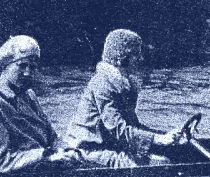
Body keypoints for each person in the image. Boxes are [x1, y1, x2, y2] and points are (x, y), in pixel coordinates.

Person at [65, 29, 181, 168]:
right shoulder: (102, 83)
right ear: (121, 57)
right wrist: (158, 139)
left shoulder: (123, 85)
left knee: (169, 155)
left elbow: (132, 126)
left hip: (108, 146)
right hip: (88, 150)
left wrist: (166, 136)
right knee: (161, 164)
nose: (141, 59)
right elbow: (116, 128)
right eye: (136, 54)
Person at [0, 36, 83, 172]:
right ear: (4, 67)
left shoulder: (28, 95)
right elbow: (2, 162)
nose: (28, 73)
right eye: (22, 66)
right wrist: (46, 156)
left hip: (43, 168)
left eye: (33, 67)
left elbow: (51, 137)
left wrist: (67, 150)